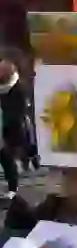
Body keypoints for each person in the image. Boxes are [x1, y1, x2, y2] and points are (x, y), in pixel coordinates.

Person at [0, 51, 32, 200]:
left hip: (13, 128)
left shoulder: (19, 89)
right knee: (5, 157)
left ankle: (14, 187)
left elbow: (18, 113)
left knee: (8, 156)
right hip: (3, 126)